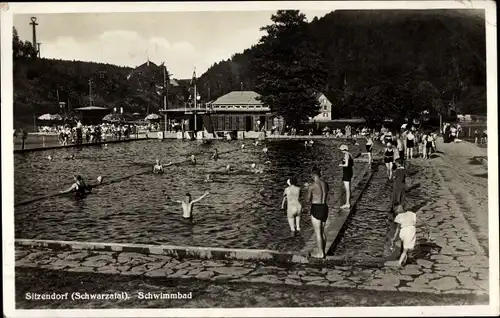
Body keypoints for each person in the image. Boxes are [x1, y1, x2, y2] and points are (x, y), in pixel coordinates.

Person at [306, 166, 329, 258]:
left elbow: (307, 199)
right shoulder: (325, 183)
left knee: (318, 232)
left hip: (316, 207)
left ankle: (320, 253)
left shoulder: (312, 186)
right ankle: (323, 251)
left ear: (312, 175)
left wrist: (307, 189)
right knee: (322, 232)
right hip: (324, 207)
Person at [338, 144, 354, 209]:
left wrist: (341, 165)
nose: (341, 151)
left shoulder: (346, 155)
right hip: (350, 172)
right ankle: (348, 202)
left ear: (344, 150)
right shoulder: (350, 154)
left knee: (347, 189)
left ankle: (347, 203)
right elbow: (351, 164)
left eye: (341, 150)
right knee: (348, 189)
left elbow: (346, 164)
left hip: (346, 173)